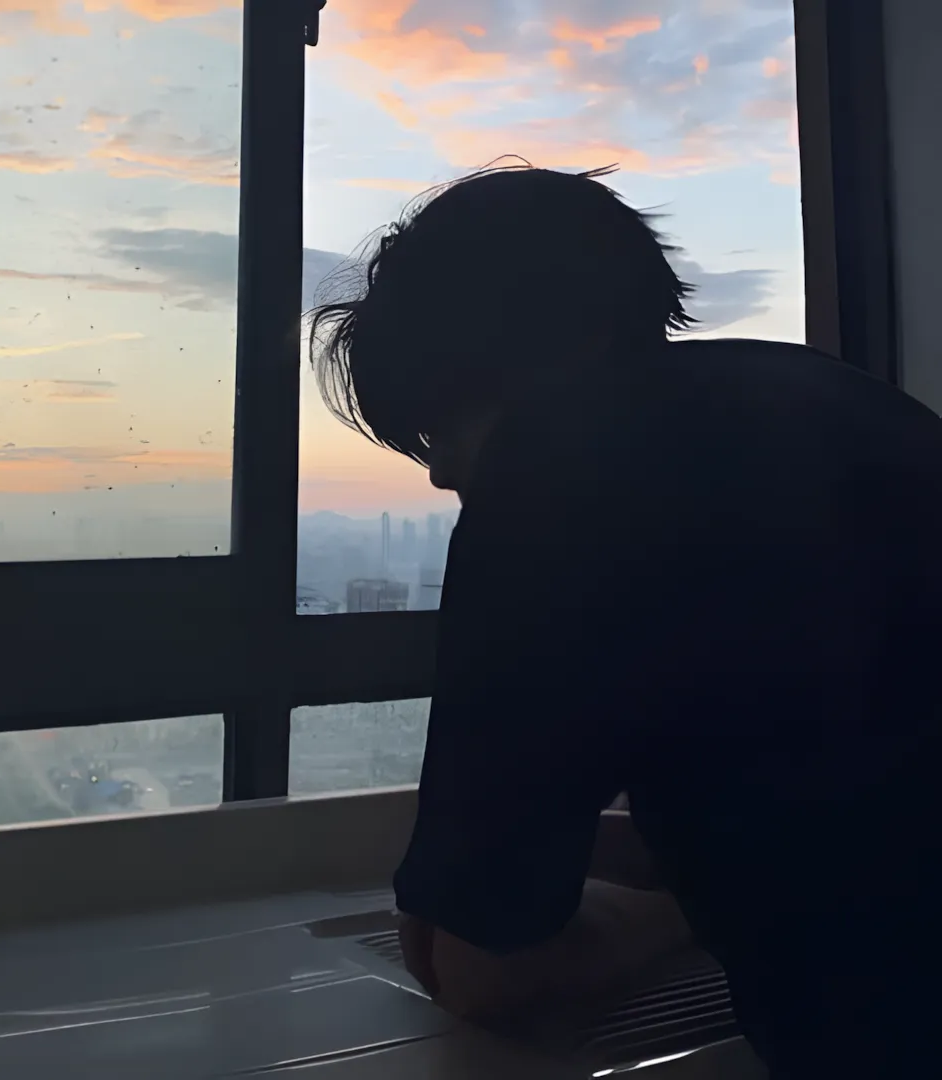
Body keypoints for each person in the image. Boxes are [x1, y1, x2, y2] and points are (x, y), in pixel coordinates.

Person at [307, 165, 942, 1078]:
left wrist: (677, 908)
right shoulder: (846, 400)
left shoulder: (554, 478)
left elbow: (472, 965)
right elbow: (828, 782)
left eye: (436, 432)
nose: (440, 474)